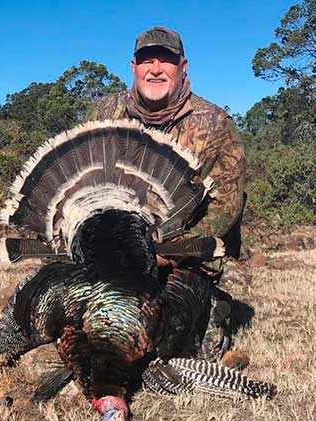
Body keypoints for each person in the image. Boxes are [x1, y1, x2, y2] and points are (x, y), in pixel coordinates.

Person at [85, 26, 247, 356]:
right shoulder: (102, 114)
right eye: (147, 60)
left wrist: (165, 254)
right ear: (134, 67)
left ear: (183, 67)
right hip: (111, 256)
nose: (155, 69)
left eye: (166, 60)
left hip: (179, 260)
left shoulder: (215, 124)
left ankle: (212, 309)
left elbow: (226, 207)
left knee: (170, 350)